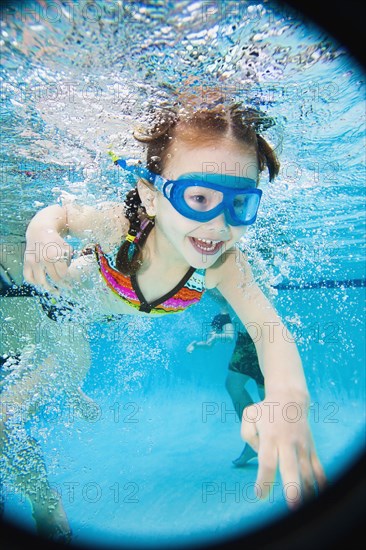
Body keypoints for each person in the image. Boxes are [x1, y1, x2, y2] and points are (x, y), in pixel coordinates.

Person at [3, 103, 325, 537]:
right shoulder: (119, 226)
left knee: (65, 360)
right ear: (152, 195)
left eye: (241, 203)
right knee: (56, 347)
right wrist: (42, 233)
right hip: (74, 307)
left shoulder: (224, 265)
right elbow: (60, 213)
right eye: (198, 198)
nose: (218, 223)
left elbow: (269, 331)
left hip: (115, 314)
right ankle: (66, 394)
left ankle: (69, 382)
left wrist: (288, 398)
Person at [187, 295, 264, 467]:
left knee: (269, 400)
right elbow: (227, 336)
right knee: (233, 386)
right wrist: (206, 342)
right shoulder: (225, 308)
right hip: (244, 345)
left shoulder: (250, 288)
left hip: (266, 343)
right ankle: (254, 441)